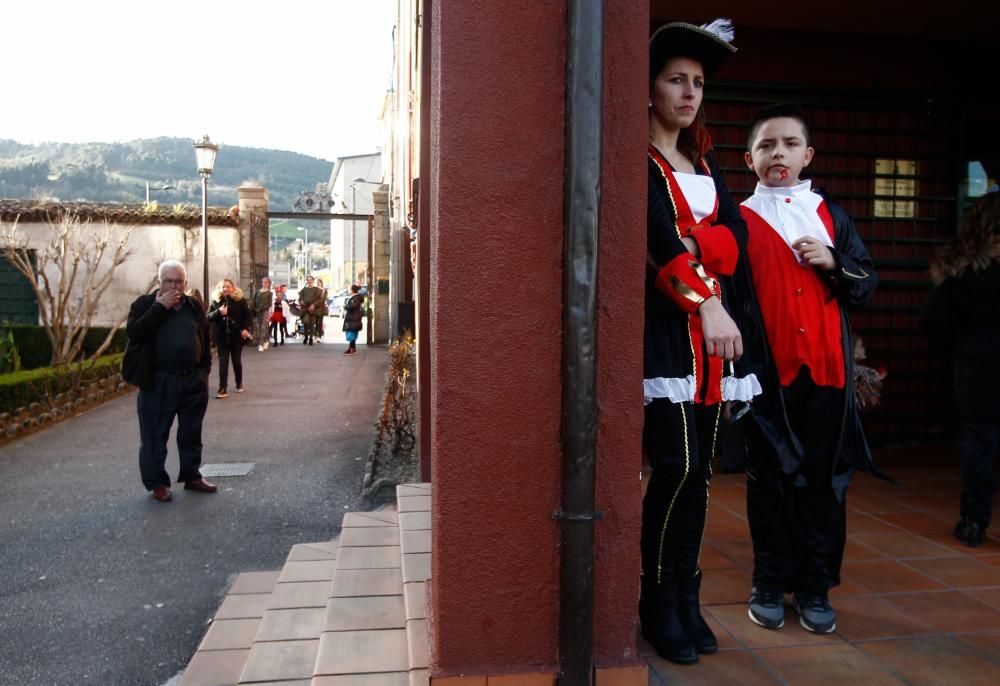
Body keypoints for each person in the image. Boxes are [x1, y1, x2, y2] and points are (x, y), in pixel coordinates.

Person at [642, 19, 762, 665]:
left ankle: (686, 598)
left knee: (703, 477)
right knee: (677, 467)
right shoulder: (643, 160)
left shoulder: (704, 161)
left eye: (697, 83)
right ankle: (656, 600)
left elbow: (733, 242)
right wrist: (708, 299)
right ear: (652, 87)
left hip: (713, 343)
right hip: (671, 336)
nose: (688, 93)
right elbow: (660, 247)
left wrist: (703, 245)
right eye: (675, 79)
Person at [739, 103, 881, 634]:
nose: (779, 154)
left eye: (790, 144)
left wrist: (833, 261)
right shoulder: (738, 219)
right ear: (750, 157)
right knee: (769, 480)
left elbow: (866, 284)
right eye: (768, 146)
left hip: (827, 372)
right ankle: (769, 582)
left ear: (807, 155)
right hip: (766, 375)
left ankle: (815, 586)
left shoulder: (832, 216)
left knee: (823, 483)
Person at [921, 191, 1000, 547]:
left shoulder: (961, 270)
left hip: (976, 367)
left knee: (979, 447)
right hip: (977, 361)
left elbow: (935, 320)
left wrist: (959, 350)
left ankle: (973, 522)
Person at [122, 259, 217, 502]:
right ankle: (157, 484)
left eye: (179, 281)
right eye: (169, 281)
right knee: (155, 435)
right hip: (158, 381)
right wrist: (160, 307)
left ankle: (192, 475)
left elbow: (205, 339)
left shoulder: (194, 306)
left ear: (185, 283)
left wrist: (203, 372)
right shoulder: (144, 305)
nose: (174, 286)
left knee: (191, 433)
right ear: (159, 281)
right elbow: (135, 333)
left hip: (192, 381)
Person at [206, 278, 252, 398]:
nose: (225, 289)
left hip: (237, 336)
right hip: (221, 337)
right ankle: (222, 388)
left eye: (228, 286)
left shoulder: (239, 300)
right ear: (219, 289)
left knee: (236, 361)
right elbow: (207, 317)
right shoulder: (216, 301)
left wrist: (246, 329)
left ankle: (239, 383)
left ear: (233, 288)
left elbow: (247, 316)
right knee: (223, 361)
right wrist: (218, 313)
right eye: (223, 287)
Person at [297, 275, 323, 345]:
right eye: (308, 280)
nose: (309, 281)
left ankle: (311, 338)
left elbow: (320, 299)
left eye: (310, 280)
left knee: (312, 324)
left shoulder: (317, 290)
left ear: (313, 281)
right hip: (305, 309)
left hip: (314, 309)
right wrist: (301, 301)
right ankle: (306, 336)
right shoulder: (304, 289)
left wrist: (313, 305)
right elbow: (300, 298)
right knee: (306, 322)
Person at [251, 277, 274, 352]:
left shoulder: (269, 293)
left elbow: (270, 304)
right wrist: (252, 310)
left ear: (269, 284)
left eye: (266, 282)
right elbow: (253, 302)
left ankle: (260, 344)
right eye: (263, 282)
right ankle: (266, 340)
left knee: (263, 327)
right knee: (258, 327)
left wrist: (269, 315)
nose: (264, 283)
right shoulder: (257, 292)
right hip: (256, 312)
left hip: (265, 312)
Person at [342, 284, 365, 355]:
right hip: (353, 318)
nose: (348, 290)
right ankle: (352, 348)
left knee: (351, 333)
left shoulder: (356, 298)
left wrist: (346, 306)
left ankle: (351, 349)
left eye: (349, 288)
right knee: (352, 333)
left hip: (353, 318)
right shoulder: (355, 297)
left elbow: (353, 306)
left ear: (352, 290)